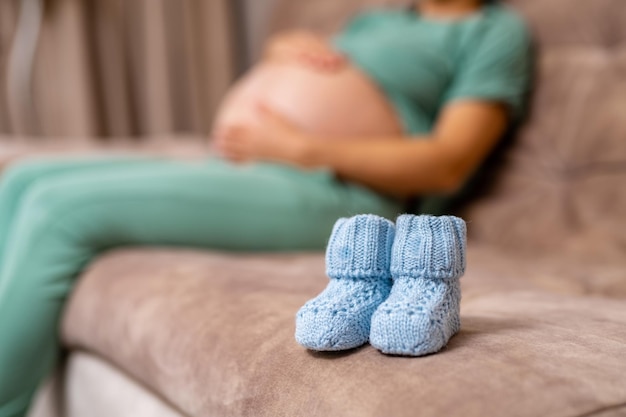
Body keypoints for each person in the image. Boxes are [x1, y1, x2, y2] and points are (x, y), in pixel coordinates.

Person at [0, 0, 532, 415]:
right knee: (23, 178)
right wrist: (286, 50)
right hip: (252, 164)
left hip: (341, 193)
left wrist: (299, 148)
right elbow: (319, 67)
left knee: (57, 210)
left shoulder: (493, 31)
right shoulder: (374, 20)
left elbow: (447, 162)